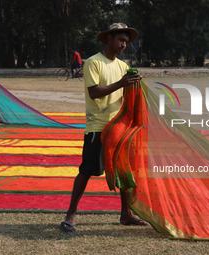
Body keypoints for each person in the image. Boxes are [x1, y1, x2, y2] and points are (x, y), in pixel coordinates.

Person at [60, 23, 148, 232]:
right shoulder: (93, 62)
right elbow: (94, 92)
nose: (123, 45)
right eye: (120, 40)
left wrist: (135, 84)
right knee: (87, 170)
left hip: (120, 126)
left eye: (126, 41)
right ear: (108, 39)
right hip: (98, 127)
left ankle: (126, 214)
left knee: (125, 171)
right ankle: (71, 213)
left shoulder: (123, 66)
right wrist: (122, 83)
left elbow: (127, 93)